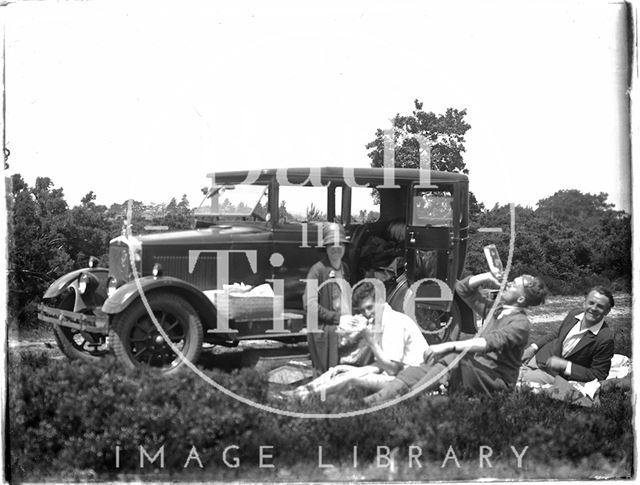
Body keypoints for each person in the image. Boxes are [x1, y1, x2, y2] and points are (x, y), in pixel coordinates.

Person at [364, 272, 548, 403]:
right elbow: (462, 289)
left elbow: (487, 343)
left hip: (496, 382)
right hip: (477, 371)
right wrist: (485, 276)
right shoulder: (497, 310)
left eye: (514, 285)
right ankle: (370, 402)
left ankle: (407, 400)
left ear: (521, 300)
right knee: (417, 370)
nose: (508, 284)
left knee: (454, 357)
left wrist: (447, 346)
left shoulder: (520, 324)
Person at [291, 281, 429, 400]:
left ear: (381, 301)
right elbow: (381, 365)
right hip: (399, 374)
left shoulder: (394, 322)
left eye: (370, 307)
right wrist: (347, 369)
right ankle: (301, 391)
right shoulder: (380, 321)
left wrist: (370, 340)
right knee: (340, 371)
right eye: (363, 310)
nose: (367, 314)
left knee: (351, 380)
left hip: (412, 381)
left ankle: (305, 396)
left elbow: (392, 369)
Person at [519, 287, 615, 384]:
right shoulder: (573, 315)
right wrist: (532, 348)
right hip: (540, 357)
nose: (593, 308)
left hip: (554, 374)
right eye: (591, 303)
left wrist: (566, 366)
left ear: (607, 311)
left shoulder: (605, 339)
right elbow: (557, 334)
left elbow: (599, 374)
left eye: (600, 306)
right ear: (584, 303)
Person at [304, 222, 358, 373]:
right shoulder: (317, 271)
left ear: (345, 247)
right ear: (325, 247)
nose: (336, 248)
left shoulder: (345, 269)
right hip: (327, 331)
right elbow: (310, 305)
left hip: (346, 328)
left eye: (340, 244)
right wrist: (338, 319)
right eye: (331, 244)